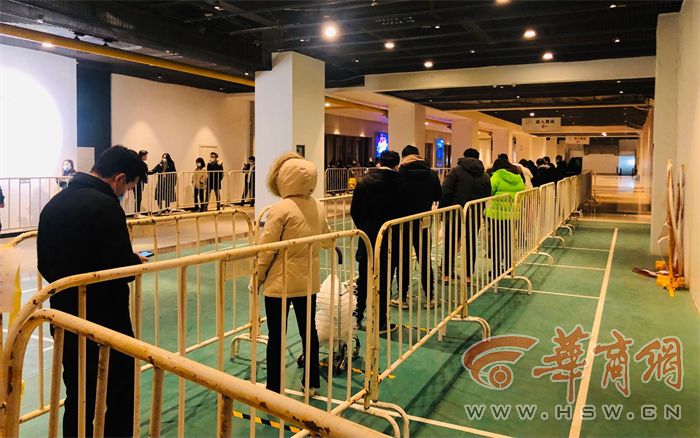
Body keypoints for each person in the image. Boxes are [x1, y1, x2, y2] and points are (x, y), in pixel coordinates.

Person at [37, 145, 148, 438]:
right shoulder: (106, 207)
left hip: (65, 315)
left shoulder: (54, 204)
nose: (125, 194)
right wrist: (134, 262)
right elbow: (119, 267)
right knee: (119, 389)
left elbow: (44, 263)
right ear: (120, 179)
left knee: (78, 393)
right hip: (107, 319)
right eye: (129, 188)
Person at [256, 152, 330, 395]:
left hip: (279, 284)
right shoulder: (319, 206)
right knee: (309, 332)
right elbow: (327, 240)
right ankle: (311, 383)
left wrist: (258, 276)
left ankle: (274, 387)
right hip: (308, 283)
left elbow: (267, 249)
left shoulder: (279, 209)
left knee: (276, 336)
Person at [350, 150, 403, 333]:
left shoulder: (363, 182)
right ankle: (380, 322)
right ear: (396, 164)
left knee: (363, 278)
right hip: (391, 238)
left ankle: (357, 316)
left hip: (367, 237)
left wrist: (364, 226)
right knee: (385, 280)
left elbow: (354, 211)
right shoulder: (400, 183)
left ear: (380, 162)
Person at [393, 145, 441, 309]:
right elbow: (438, 195)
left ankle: (402, 297)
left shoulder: (399, 173)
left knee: (403, 260)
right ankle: (430, 297)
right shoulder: (432, 174)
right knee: (425, 259)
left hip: (403, 222)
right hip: (424, 222)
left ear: (404, 157)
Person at [438, 148, 491, 284]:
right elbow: (487, 196)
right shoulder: (485, 175)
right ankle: (468, 276)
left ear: (464, 156)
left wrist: (442, 211)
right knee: (471, 244)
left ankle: (446, 274)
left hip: (455, 212)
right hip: (474, 213)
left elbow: (446, 192)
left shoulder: (455, 172)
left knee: (450, 243)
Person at [487, 155, 526, 277]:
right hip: (513, 214)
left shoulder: (496, 176)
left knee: (496, 242)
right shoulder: (518, 177)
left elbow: (490, 190)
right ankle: (509, 267)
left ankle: (496, 268)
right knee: (509, 241)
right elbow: (522, 191)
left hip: (497, 214)